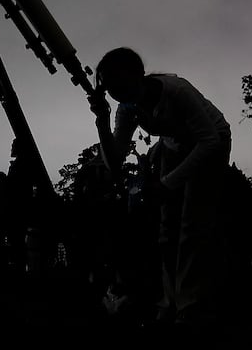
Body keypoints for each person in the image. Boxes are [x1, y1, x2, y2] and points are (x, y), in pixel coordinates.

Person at [89, 47, 232, 329]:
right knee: (167, 229)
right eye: (110, 87)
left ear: (138, 74)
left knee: (193, 225)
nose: (116, 91)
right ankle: (169, 302)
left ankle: (190, 306)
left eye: (120, 82)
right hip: (173, 145)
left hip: (210, 141)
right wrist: (102, 121)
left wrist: (168, 183)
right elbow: (114, 161)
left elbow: (210, 141)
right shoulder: (126, 108)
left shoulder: (177, 92)